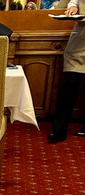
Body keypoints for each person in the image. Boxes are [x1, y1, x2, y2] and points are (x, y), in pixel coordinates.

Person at [48, 0, 85, 143]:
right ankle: (59, 131)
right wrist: (73, 7)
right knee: (68, 89)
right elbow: (75, 1)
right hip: (79, 41)